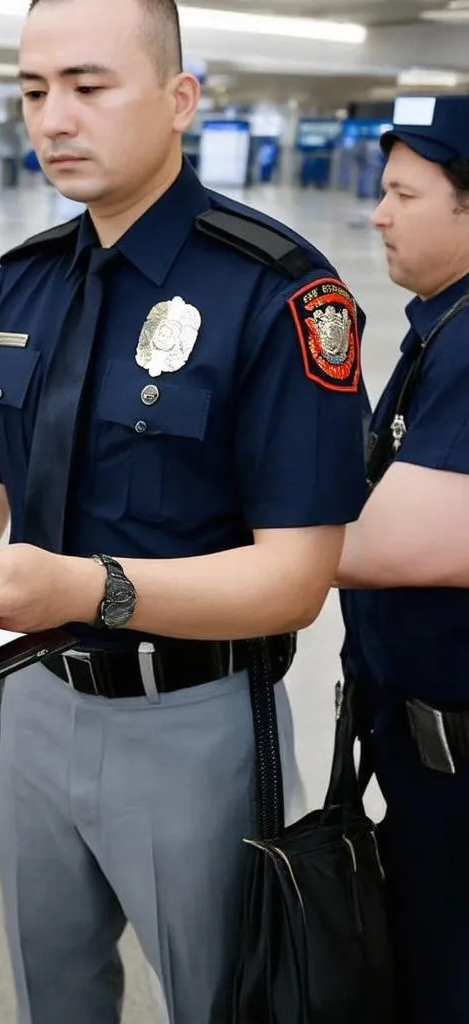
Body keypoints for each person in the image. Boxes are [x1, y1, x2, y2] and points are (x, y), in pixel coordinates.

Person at [0, 0, 368, 1019]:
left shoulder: (275, 292)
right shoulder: (22, 283)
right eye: (32, 90)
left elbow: (296, 578)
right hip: (34, 702)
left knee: (216, 996)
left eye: (87, 85)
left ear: (179, 98)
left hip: (189, 724)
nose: (52, 117)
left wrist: (81, 585)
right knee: (50, 991)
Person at [337, 95, 469, 1023]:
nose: (377, 214)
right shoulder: (439, 328)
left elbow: (382, 547)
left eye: (402, 195)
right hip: (420, 760)